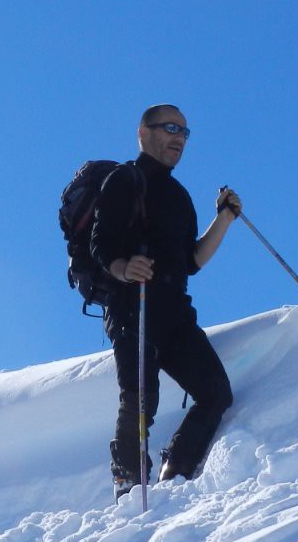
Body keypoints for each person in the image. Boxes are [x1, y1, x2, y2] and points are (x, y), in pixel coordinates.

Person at [89, 104, 241, 496]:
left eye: (186, 133)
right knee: (140, 398)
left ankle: (175, 474)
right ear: (144, 132)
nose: (180, 138)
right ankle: (129, 483)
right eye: (171, 128)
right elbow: (99, 245)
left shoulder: (179, 196)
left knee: (215, 393)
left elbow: (191, 260)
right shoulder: (125, 179)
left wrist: (223, 219)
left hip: (175, 313)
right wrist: (125, 267)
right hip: (132, 308)